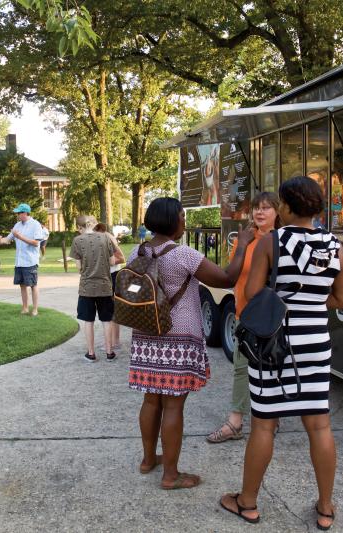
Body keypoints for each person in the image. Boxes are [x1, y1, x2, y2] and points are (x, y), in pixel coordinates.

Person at [219, 176, 343, 529]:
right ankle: (325, 508)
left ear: (288, 207)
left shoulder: (272, 243)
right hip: (315, 346)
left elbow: (252, 289)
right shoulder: (334, 246)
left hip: (272, 346)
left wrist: (287, 298)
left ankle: (247, 503)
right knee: (319, 426)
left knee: (263, 426)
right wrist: (310, 300)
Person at [130, 197, 254, 490]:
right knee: (173, 406)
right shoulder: (184, 255)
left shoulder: (139, 250)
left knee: (150, 399)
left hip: (146, 335)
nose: (185, 221)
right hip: (179, 337)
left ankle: (149, 460)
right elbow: (226, 278)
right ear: (172, 221)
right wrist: (243, 245)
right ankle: (171, 475)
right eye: (183, 217)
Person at [206, 192, 281, 444]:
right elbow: (232, 273)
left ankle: (272, 416)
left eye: (266, 208)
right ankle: (235, 422)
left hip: (272, 318)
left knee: (274, 366)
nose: (260, 213)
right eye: (256, 208)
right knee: (241, 367)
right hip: (244, 314)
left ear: (277, 212)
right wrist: (241, 244)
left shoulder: (282, 241)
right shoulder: (245, 238)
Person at [71, 217, 124, 362]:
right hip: (105, 286)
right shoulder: (105, 238)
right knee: (106, 319)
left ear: (79, 227)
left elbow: (79, 268)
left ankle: (91, 353)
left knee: (88, 321)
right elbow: (113, 261)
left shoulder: (77, 241)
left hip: (87, 287)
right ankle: (109, 352)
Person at [0, 203, 43, 316]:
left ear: (25, 213)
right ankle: (25, 308)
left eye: (19, 213)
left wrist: (20, 237)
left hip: (30, 261)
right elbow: (7, 240)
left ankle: (35, 309)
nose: (17, 215)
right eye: (17, 213)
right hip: (19, 262)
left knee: (33, 285)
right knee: (22, 285)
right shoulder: (17, 225)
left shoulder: (35, 225)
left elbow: (36, 243)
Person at [93, 222, 125, 349]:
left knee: (109, 310)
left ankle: (113, 342)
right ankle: (114, 341)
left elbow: (121, 258)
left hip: (112, 276)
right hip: (107, 276)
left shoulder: (108, 237)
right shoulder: (100, 237)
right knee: (111, 310)